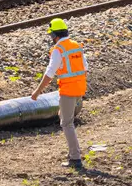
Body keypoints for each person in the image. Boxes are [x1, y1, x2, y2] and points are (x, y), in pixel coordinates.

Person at [29, 17, 88, 170]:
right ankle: (74, 153)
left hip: (68, 90)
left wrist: (37, 92)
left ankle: (75, 158)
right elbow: (85, 68)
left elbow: (49, 74)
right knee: (64, 117)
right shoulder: (76, 46)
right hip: (79, 88)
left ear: (54, 35)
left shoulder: (58, 50)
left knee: (66, 123)